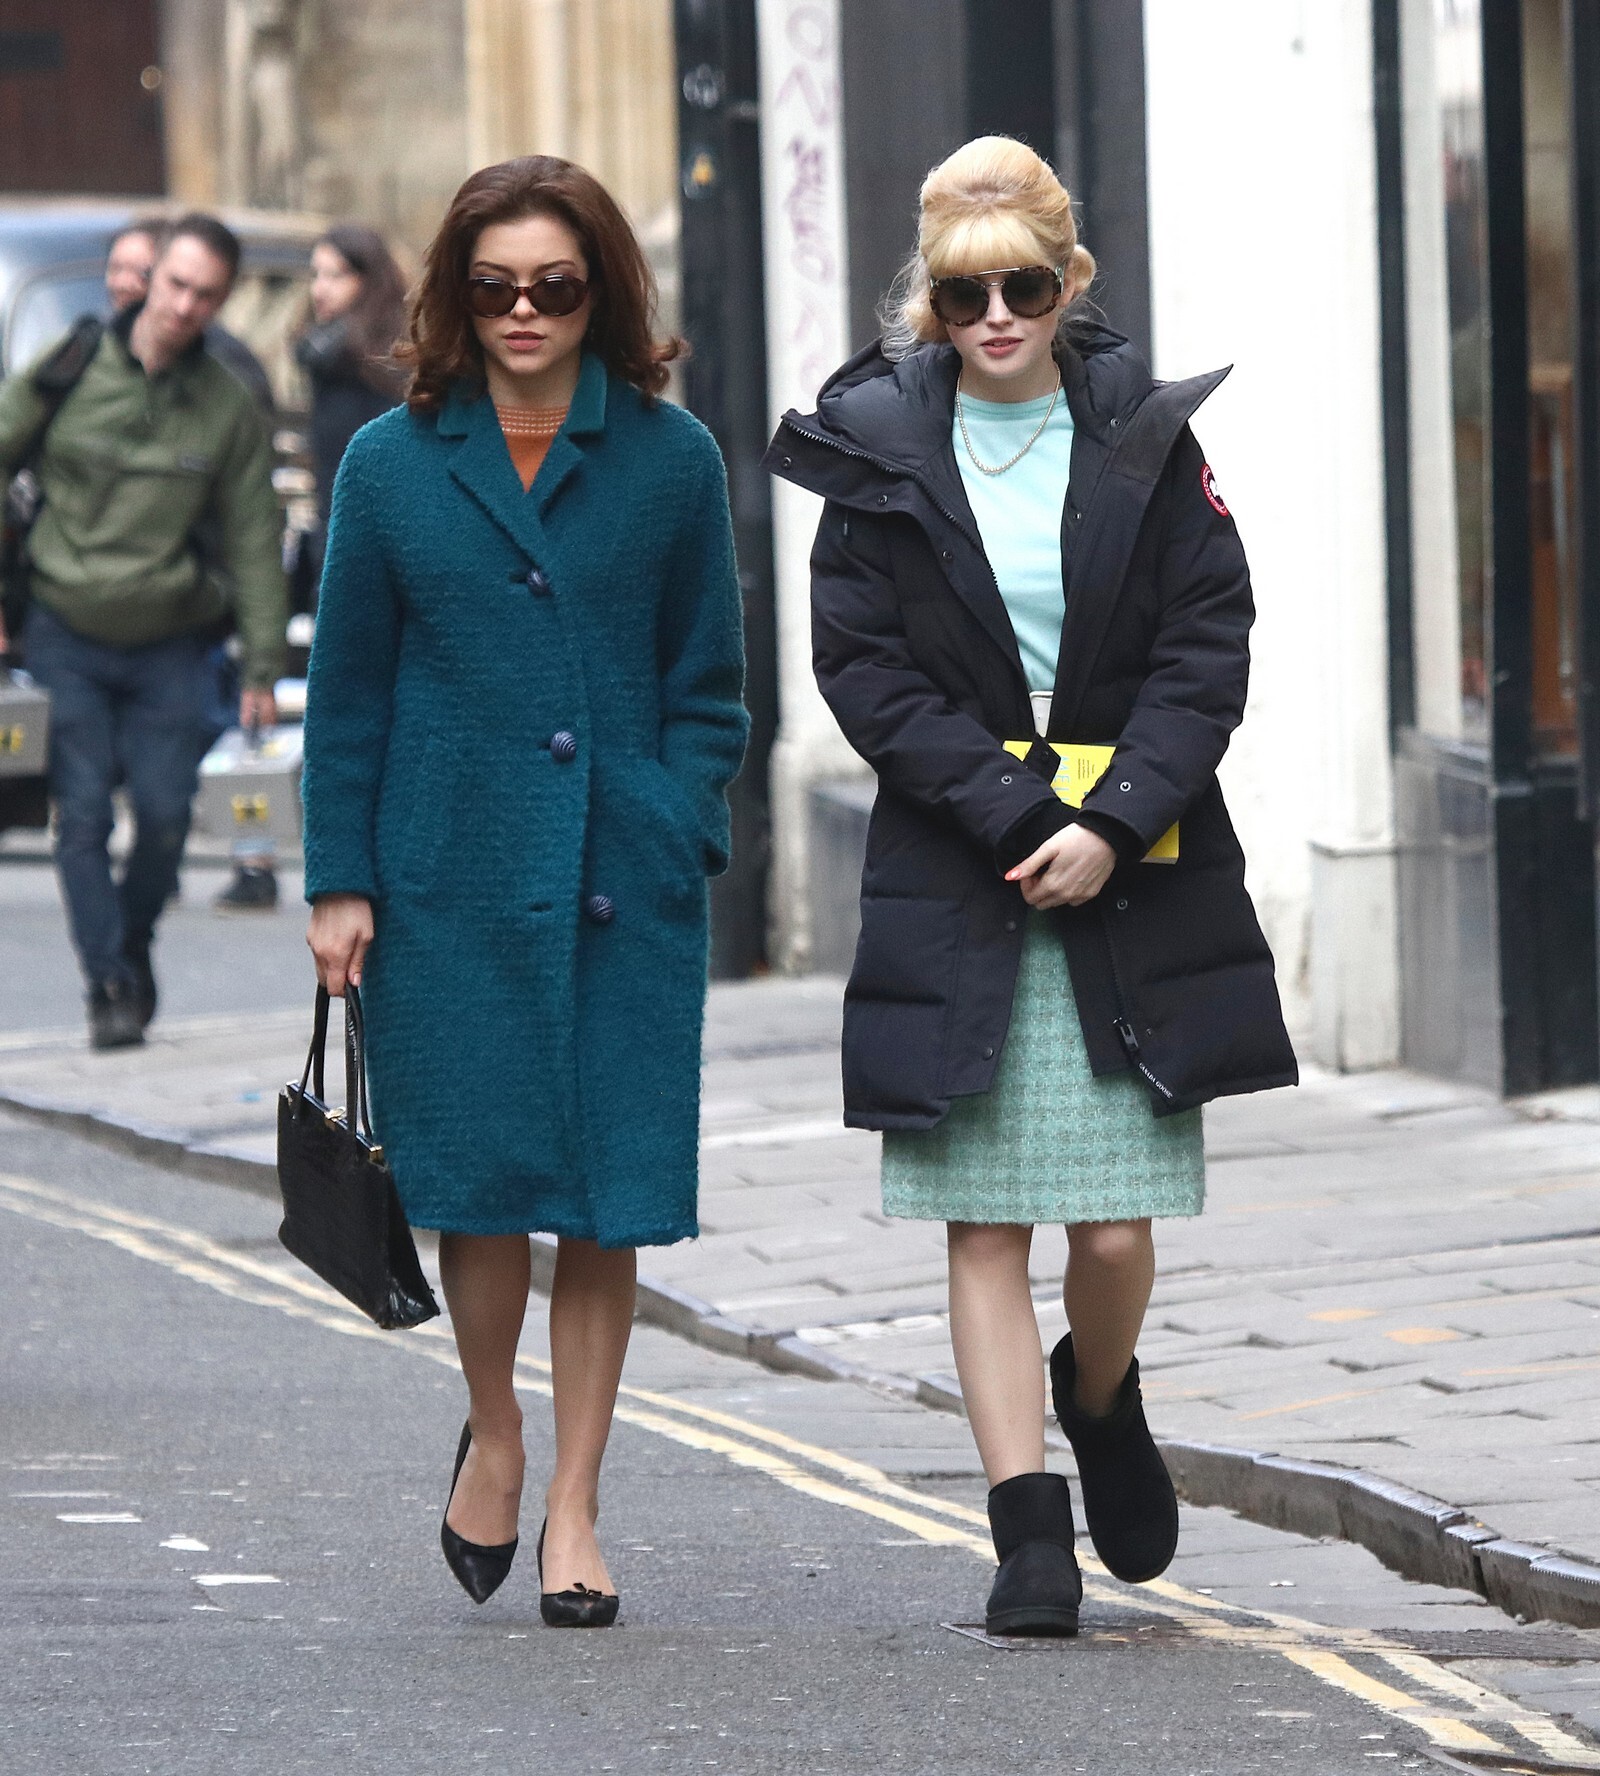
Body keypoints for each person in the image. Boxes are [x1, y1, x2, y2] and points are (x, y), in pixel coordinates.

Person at [766, 137, 1296, 1637]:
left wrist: (1114, 821)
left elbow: (1207, 643)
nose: (994, 316)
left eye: (1023, 287)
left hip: (1135, 873)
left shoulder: (1147, 436)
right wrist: (1017, 813)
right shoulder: (876, 450)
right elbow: (863, 668)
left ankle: (1100, 1393)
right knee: (985, 1224)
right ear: (928, 301)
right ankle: (1024, 1533)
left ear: (1071, 283)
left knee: (1114, 1232)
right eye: (963, 294)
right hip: (963, 866)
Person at [300, 156, 747, 1627]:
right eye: (494, 286)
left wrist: (676, 817)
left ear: (599, 290)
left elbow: (709, 684)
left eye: (555, 284)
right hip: (450, 885)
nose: (524, 311)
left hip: (624, 884)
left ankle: (577, 1502)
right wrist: (340, 880)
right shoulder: (390, 463)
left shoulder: (672, 460)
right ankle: (495, 1429)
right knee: (482, 1190)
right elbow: (348, 695)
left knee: (605, 1204)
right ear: (456, 296)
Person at [0, 214, 287, 1050]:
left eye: (206, 295)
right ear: (149, 278)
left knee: (164, 817)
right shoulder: (70, 367)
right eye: (176, 284)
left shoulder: (226, 404)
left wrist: (263, 667)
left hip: (170, 637)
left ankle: (131, 942)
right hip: (66, 625)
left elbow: (255, 538)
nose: (185, 305)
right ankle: (110, 984)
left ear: (220, 303)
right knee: (84, 815)